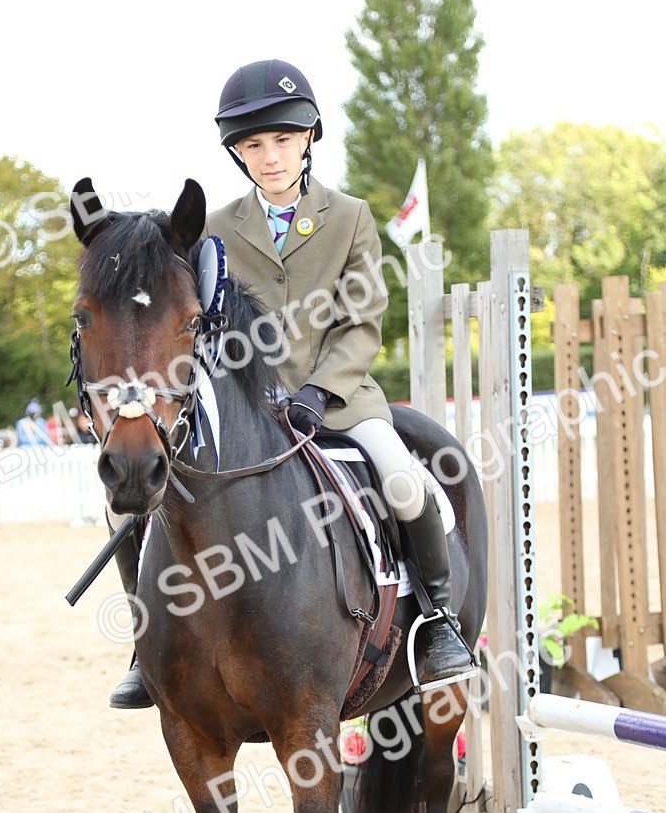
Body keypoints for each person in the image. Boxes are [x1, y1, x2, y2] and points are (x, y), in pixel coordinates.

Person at [111, 58, 474, 709]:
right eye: (253, 145)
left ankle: (437, 622)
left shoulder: (351, 218)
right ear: (237, 153)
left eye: (282, 140)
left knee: (402, 478)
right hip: (243, 408)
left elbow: (362, 323)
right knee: (145, 495)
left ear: (309, 139)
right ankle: (150, 644)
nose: (270, 156)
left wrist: (317, 391)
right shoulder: (215, 228)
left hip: (339, 401)